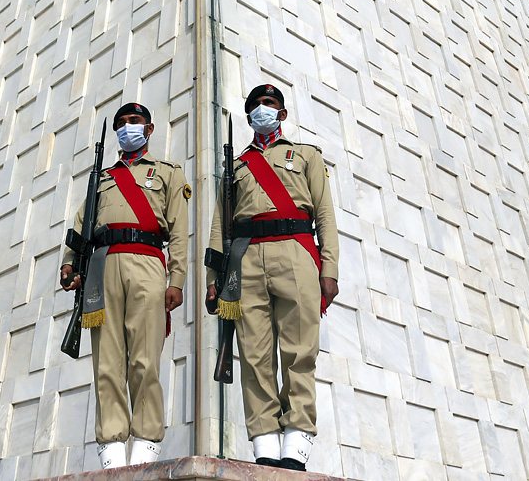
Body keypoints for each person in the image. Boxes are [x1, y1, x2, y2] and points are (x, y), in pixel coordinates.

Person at [206, 84, 339, 471]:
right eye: (255, 105)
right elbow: (220, 225)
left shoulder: (307, 155)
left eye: (269, 103)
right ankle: (265, 444)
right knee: (254, 355)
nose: (262, 109)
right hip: (246, 259)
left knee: (299, 351)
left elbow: (325, 216)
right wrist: (214, 277)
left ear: (281, 113)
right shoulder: (236, 167)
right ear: (248, 117)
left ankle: (296, 443)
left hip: (295, 251)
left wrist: (329, 268)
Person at [60, 102, 190, 468]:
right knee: (107, 362)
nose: (126, 127)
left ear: (148, 129)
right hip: (102, 267)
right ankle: (112, 449)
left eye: (134, 121)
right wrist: (70, 262)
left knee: (145, 359)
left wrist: (177, 279)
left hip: (147, 261)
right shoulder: (101, 179)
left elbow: (179, 232)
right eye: (120, 123)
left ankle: (146, 443)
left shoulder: (167, 173)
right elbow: (80, 225)